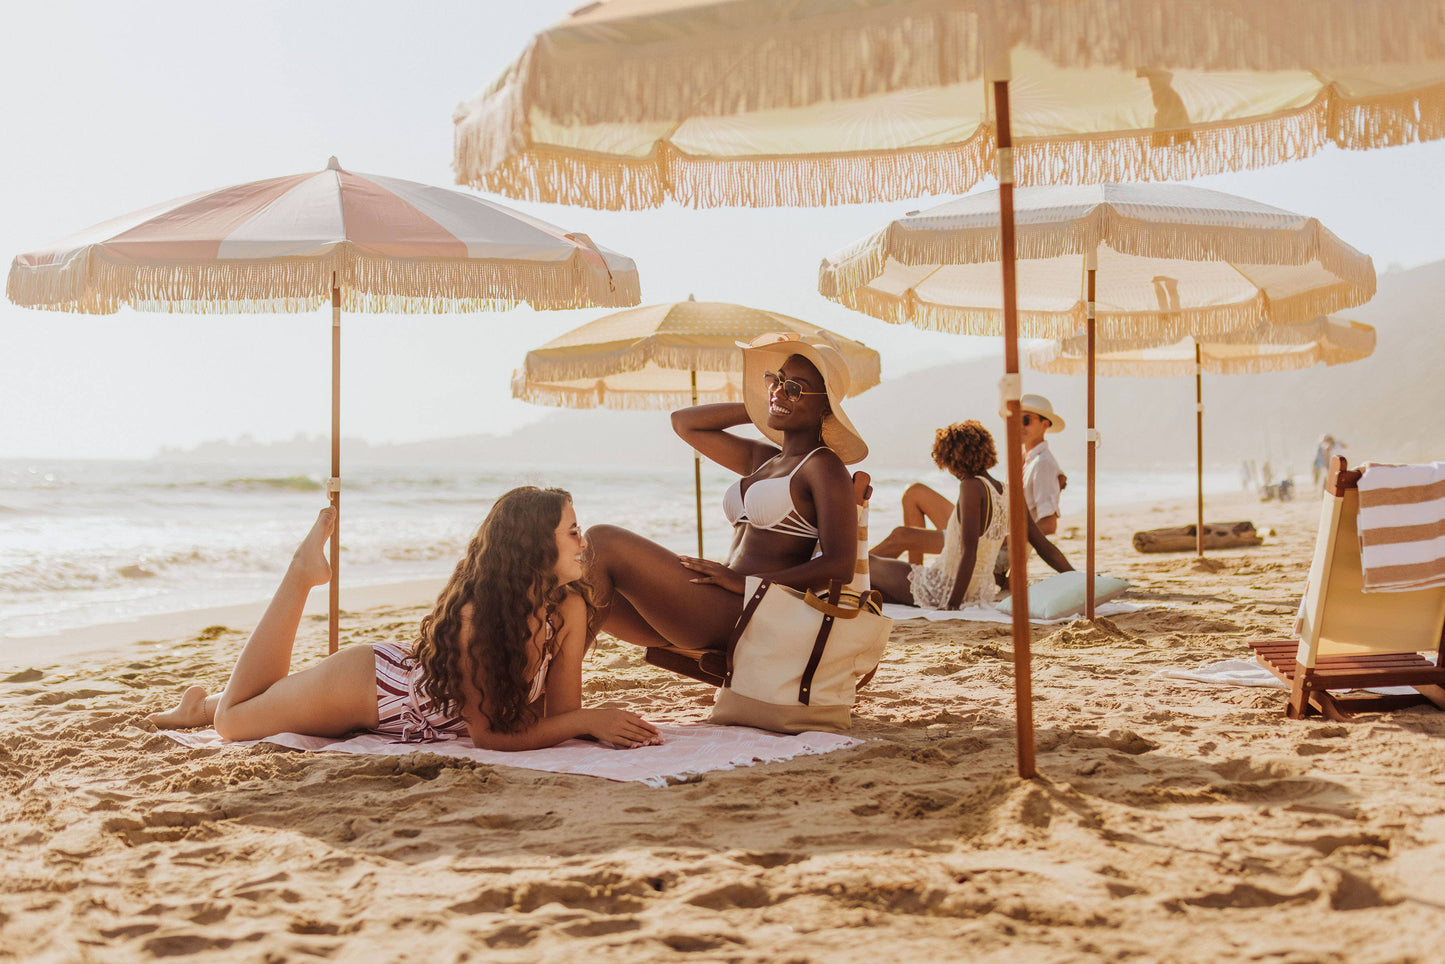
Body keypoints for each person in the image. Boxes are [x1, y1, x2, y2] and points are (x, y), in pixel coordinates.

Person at [146, 487, 662, 750]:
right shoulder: (478, 619)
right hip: (373, 688)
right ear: (533, 547)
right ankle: (302, 573)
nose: (583, 541)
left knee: (261, 701)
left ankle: (197, 704)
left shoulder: (567, 606)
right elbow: (487, 737)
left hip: (405, 692)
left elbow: (559, 714)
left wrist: (586, 722)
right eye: (572, 531)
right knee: (234, 722)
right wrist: (590, 721)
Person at [583, 332, 864, 682]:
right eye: (776, 380)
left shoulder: (823, 467)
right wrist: (764, 404)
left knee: (602, 541)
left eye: (795, 388)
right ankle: (545, 683)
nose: (778, 390)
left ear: (825, 407)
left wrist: (746, 581)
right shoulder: (764, 459)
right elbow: (684, 423)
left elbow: (840, 566)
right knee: (580, 579)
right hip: (716, 602)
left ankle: (558, 691)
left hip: (747, 611)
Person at [870, 421, 1072, 610]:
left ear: (952, 457)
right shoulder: (1009, 491)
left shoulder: (970, 486)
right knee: (871, 588)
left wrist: (951, 605)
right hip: (979, 592)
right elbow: (1044, 547)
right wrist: (1077, 577)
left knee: (865, 563)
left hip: (944, 587)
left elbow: (969, 551)